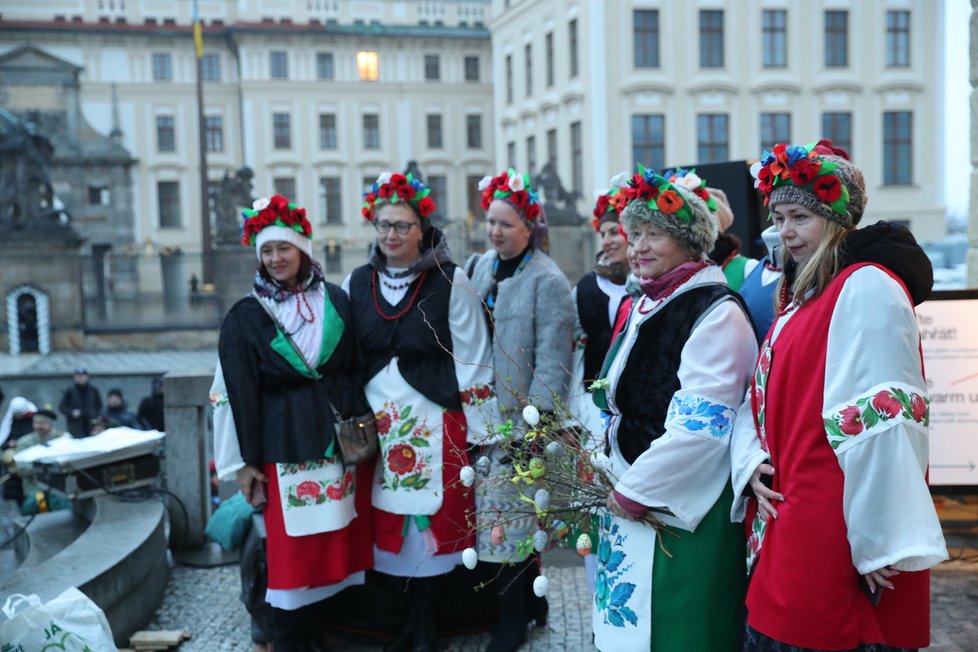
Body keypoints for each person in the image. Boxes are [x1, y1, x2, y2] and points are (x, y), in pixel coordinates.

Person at [731, 142, 948, 651]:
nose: (785, 232)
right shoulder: (804, 295)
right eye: (779, 217)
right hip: (790, 529)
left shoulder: (865, 286)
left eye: (801, 217)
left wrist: (880, 543)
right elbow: (756, 402)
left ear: (837, 222)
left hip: (835, 539)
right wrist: (751, 464)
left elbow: (886, 418)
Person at [591, 166, 757, 651]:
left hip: (681, 507)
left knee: (676, 629)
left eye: (655, 234)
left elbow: (701, 430)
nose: (639, 246)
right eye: (635, 233)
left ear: (689, 242)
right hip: (632, 487)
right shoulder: (650, 301)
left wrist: (631, 491)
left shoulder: (715, 311)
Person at [210, 194, 373, 652]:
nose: (276, 258)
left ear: (302, 249)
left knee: (332, 553)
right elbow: (231, 393)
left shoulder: (336, 300)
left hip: (337, 450)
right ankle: (288, 643)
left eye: (283, 248)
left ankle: (325, 638)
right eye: (266, 251)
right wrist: (243, 464)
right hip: (283, 451)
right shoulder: (245, 316)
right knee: (290, 563)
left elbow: (355, 368)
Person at [344, 171, 495, 652]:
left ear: (422, 228)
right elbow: (349, 354)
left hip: (436, 421)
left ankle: (428, 624)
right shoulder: (359, 281)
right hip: (379, 428)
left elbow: (474, 360)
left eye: (402, 226)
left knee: (429, 521)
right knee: (387, 518)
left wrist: (482, 432)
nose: (391, 235)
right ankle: (400, 621)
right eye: (384, 225)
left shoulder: (452, 280)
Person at [467, 168, 574, 652]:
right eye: (491, 221)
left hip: (518, 421)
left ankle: (511, 617)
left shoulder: (547, 279)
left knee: (510, 526)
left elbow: (554, 357)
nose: (495, 231)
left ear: (530, 227)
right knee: (495, 522)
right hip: (481, 415)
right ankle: (532, 605)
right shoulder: (482, 267)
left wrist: (536, 424)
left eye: (506, 224)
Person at [6, 408, 71, 515]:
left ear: (50, 424)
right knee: (40, 505)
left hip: (62, 486)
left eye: (42, 423)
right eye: (35, 423)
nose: (38, 426)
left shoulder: (62, 440)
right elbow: (21, 469)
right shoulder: (25, 443)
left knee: (62, 501)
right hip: (35, 488)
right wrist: (47, 467)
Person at [1, 397, 38, 504]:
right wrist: (9, 444)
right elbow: (3, 439)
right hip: (16, 467)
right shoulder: (10, 422)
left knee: (36, 492)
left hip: (30, 462)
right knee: (19, 495)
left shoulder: (33, 419)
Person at [59, 368, 101, 437]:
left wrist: (97, 422)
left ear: (87, 377)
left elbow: (99, 407)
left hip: (91, 425)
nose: (81, 378)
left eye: (83, 376)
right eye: (78, 376)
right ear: (74, 377)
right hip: (75, 427)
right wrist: (72, 412)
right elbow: (62, 407)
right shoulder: (70, 391)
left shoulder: (93, 390)